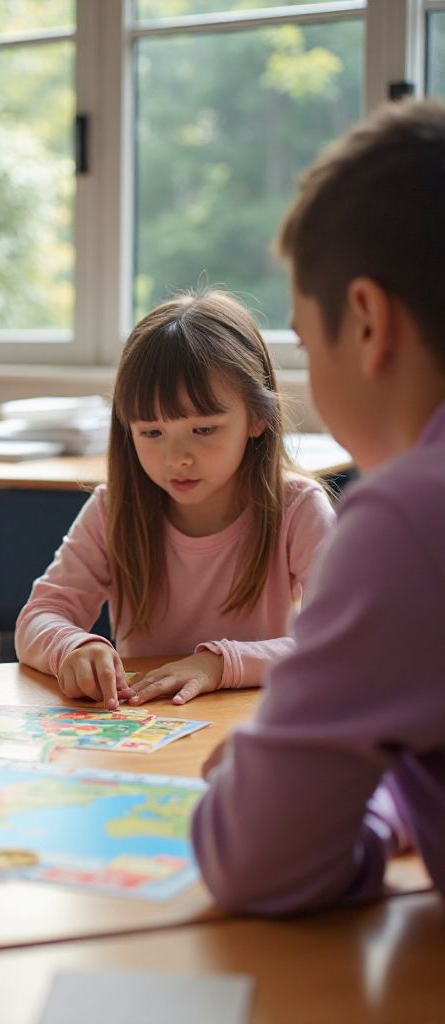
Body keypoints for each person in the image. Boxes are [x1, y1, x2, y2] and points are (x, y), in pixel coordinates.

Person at [193, 100, 445, 913]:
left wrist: (251, 780)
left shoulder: (407, 518)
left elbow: (257, 861)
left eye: (303, 343)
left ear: (367, 321)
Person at [15, 290, 335, 710]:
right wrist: (73, 646)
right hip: (147, 724)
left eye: (203, 430)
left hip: (255, 719)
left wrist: (218, 665)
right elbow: (39, 616)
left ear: (257, 418)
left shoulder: (298, 507)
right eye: (151, 432)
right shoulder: (113, 508)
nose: (176, 458)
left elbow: (340, 639)